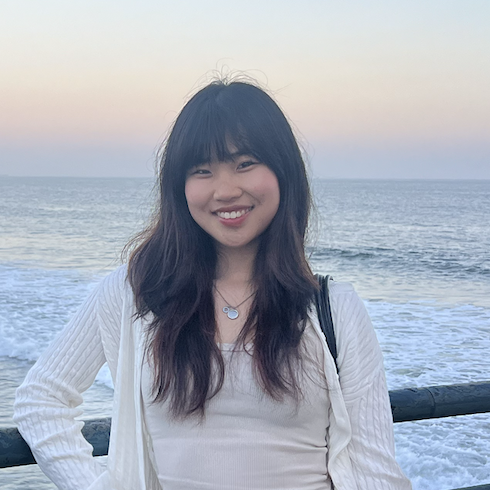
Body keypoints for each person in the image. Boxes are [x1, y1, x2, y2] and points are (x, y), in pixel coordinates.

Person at [14, 79, 411, 490]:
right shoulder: (136, 295)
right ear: (179, 186)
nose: (225, 190)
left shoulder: (333, 309)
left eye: (245, 163)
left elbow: (375, 473)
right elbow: (41, 400)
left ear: (284, 171)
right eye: (202, 170)